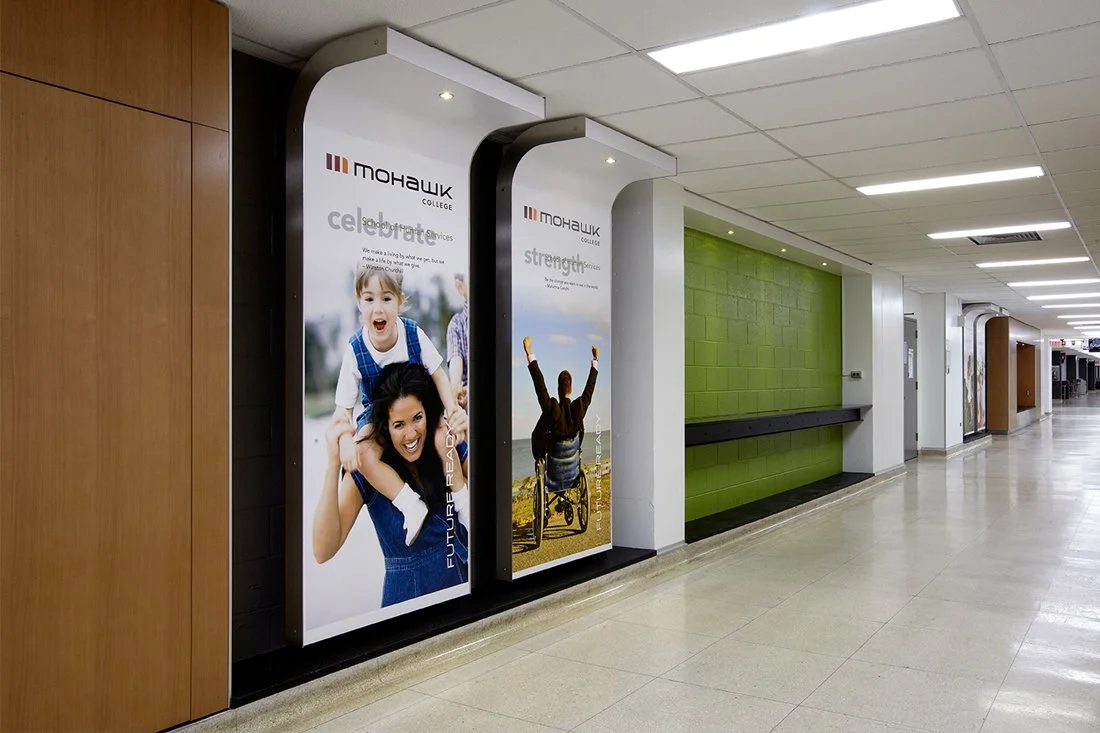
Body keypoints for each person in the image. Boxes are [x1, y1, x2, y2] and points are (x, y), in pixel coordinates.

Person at [332, 263, 467, 547]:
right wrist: (345, 439)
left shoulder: (412, 333)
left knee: (444, 440)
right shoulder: (355, 349)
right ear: (359, 303)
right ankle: (409, 504)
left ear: (400, 302)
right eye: (369, 299)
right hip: (379, 413)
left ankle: (464, 504)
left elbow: (438, 375)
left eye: (386, 298)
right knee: (364, 454)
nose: (377, 308)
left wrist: (451, 409)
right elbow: (343, 408)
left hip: (418, 405)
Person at [314, 362, 470, 607]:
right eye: (399, 424)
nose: (410, 435)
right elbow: (323, 550)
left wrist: (464, 433)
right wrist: (333, 466)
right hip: (409, 604)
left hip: (465, 587)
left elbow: (492, 503)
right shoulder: (370, 470)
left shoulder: (444, 443)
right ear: (385, 426)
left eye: (417, 418)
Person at [521, 336, 599, 460]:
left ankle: (540, 459)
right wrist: (595, 359)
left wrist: (529, 352)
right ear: (571, 388)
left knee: (540, 427)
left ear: (558, 390)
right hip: (573, 467)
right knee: (580, 423)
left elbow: (539, 384)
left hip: (553, 471)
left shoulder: (552, 410)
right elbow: (590, 387)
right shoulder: (578, 409)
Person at [445, 274, 469, 410]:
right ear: (460, 287)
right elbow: (455, 360)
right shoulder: (457, 324)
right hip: (468, 397)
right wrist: (457, 389)